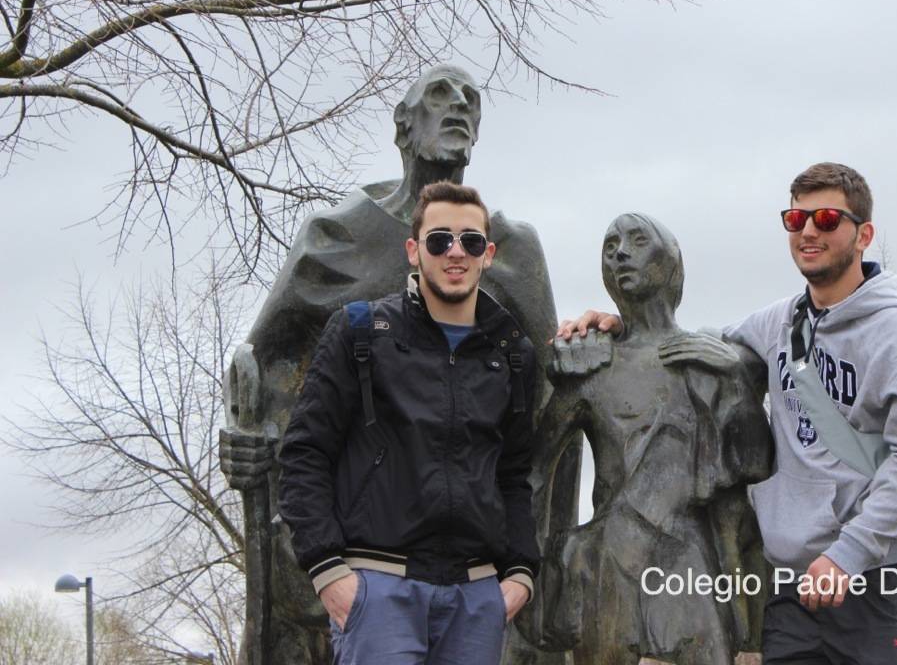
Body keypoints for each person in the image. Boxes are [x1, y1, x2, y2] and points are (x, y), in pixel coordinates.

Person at [218, 64, 567, 664]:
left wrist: (520, 575)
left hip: (476, 590)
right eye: (438, 95)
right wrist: (245, 439)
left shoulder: (517, 257)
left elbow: (544, 416)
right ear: (403, 125)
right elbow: (261, 368)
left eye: (469, 99)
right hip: (374, 581)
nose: (457, 105)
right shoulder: (337, 237)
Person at [556, 163, 897, 664]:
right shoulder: (777, 323)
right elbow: (678, 347)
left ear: (864, 234)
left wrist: (849, 553)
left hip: (877, 579)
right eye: (797, 219)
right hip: (793, 588)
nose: (810, 230)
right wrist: (621, 326)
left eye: (828, 218)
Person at [278, 181, 539, 664]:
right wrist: (328, 570)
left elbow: (514, 474)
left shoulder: (513, 354)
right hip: (378, 591)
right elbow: (304, 453)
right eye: (440, 240)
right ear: (414, 251)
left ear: (488, 254)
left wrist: (521, 573)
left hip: (476, 599)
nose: (455, 252)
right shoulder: (360, 332)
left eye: (471, 241)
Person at [521, 213, 771, 664]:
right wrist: (528, 572)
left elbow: (754, 467)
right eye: (611, 245)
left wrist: (734, 378)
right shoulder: (591, 366)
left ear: (672, 260)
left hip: (696, 570)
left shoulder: (712, 358)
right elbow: (536, 474)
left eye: (638, 241)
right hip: (610, 568)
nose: (620, 253)